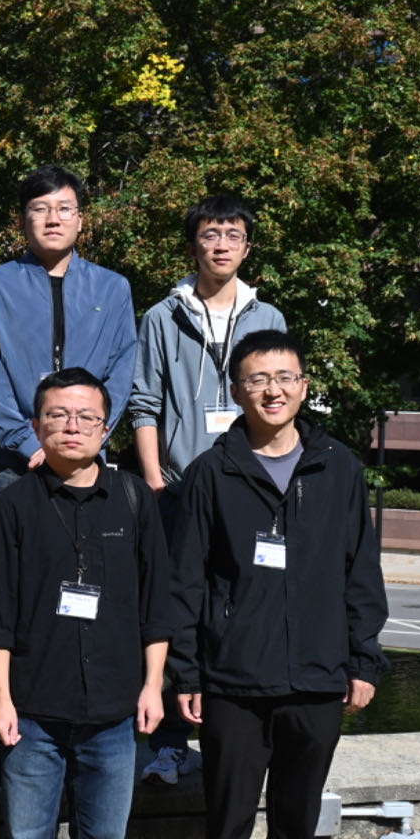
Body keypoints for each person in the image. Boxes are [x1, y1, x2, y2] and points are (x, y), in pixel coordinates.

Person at [165, 329, 387, 839]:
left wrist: (364, 657)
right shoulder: (212, 473)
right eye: (258, 379)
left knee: (296, 826)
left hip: (317, 679)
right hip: (233, 680)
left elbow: (361, 569)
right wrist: (187, 673)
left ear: (304, 386)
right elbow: (186, 583)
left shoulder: (338, 468)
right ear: (237, 391)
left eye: (285, 377)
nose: (273, 390)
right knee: (228, 824)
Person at [0, 367, 171, 839]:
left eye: (86, 416)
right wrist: (0, 698)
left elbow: (157, 604)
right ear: (36, 425)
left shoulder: (135, 499)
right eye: (57, 415)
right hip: (34, 709)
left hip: (114, 711)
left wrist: (153, 685)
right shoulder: (13, 506)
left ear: (107, 428)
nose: (71, 426)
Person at [129, 194, 287, 788]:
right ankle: (170, 743)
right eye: (210, 234)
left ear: (247, 247)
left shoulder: (268, 317)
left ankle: (236, 738)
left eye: (232, 235)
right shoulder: (162, 316)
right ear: (193, 243)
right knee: (177, 611)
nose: (221, 245)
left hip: (248, 487)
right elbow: (144, 402)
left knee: (245, 607)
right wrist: (153, 479)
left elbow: (278, 402)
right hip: (177, 488)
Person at [0, 166, 138, 503]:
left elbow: (121, 373)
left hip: (86, 456)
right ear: (22, 221)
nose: (53, 219)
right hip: (14, 461)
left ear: (80, 220)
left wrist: (87, 435)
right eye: (40, 209)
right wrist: (27, 443)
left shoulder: (112, 288)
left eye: (64, 209)